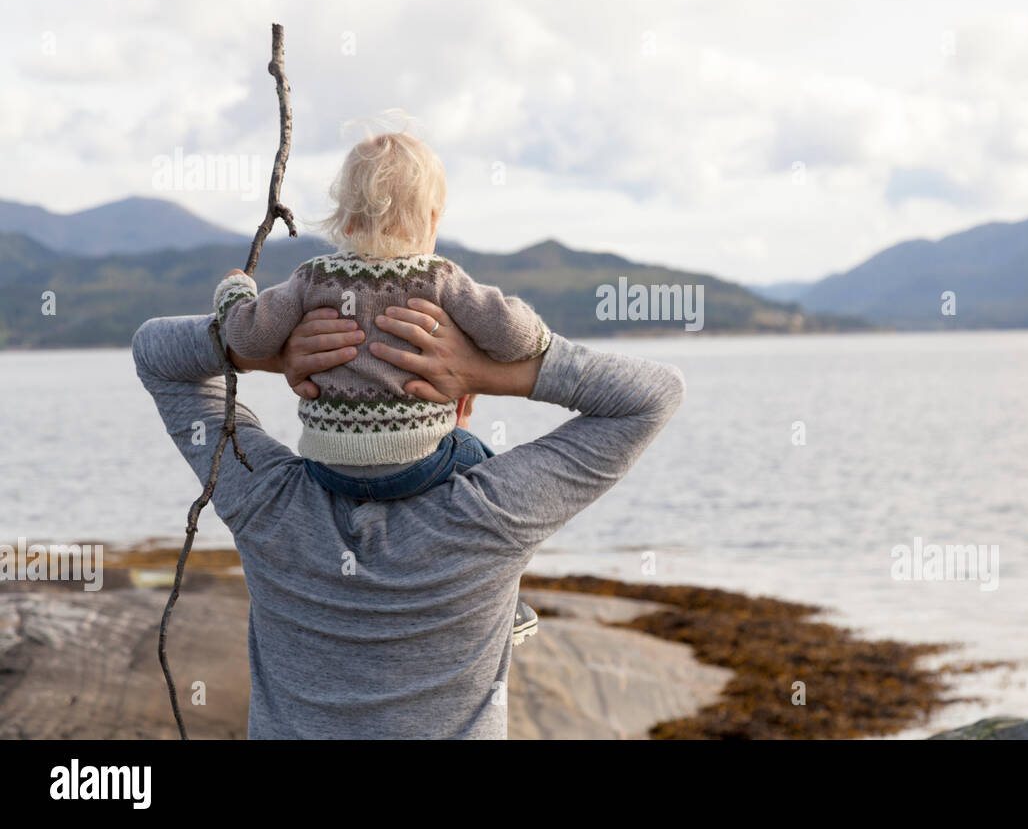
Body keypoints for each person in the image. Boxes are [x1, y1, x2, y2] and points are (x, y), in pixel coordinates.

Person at [133, 299, 684, 738]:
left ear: (314, 396)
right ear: (462, 401)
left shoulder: (265, 498)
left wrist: (264, 349)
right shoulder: (490, 515)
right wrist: (490, 370)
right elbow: (653, 395)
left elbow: (157, 354)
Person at [213, 130, 552, 641]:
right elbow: (516, 339)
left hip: (328, 470)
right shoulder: (439, 277)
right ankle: (503, 597)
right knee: (485, 468)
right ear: (433, 219)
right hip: (420, 464)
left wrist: (235, 292)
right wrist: (534, 326)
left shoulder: (312, 278)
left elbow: (246, 335)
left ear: (344, 217)